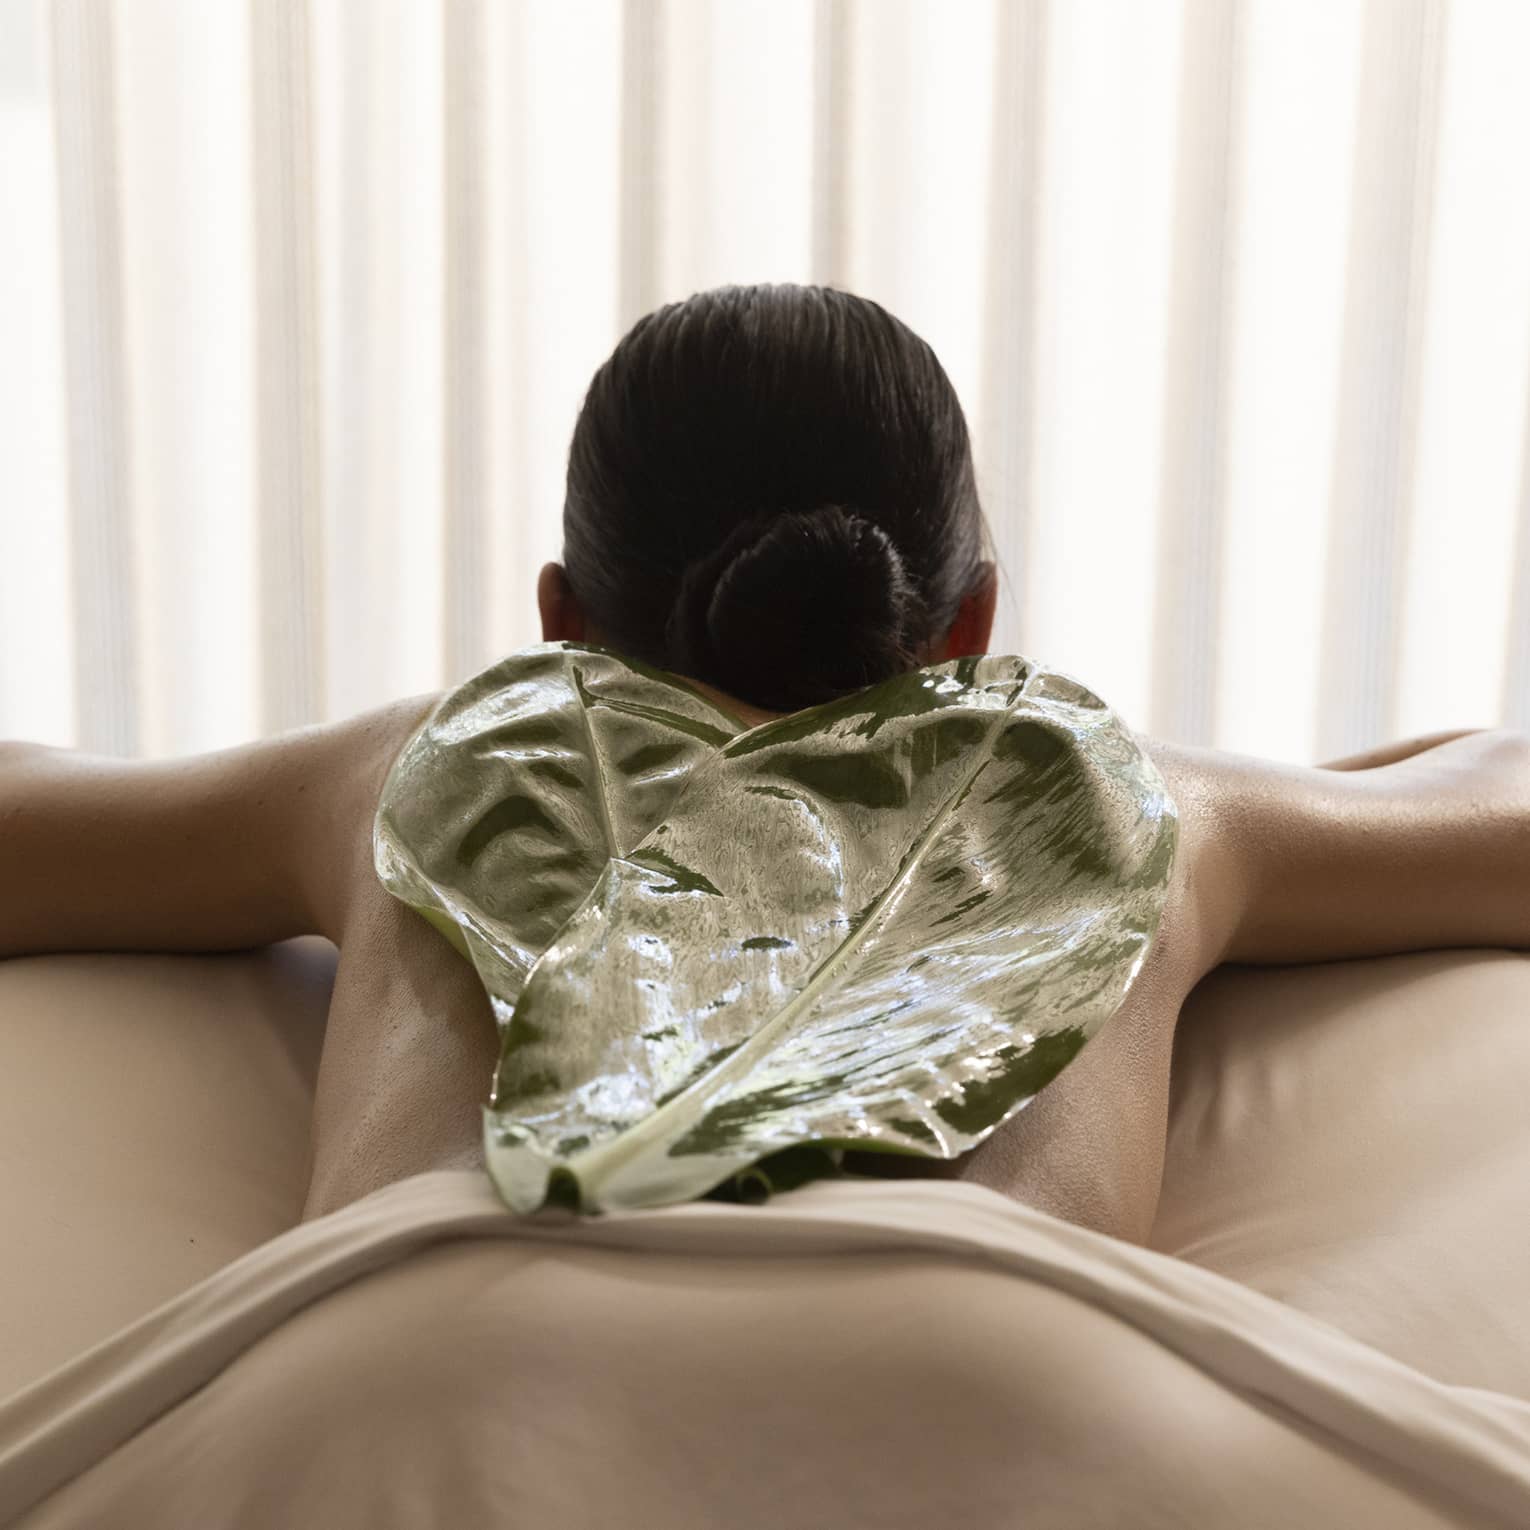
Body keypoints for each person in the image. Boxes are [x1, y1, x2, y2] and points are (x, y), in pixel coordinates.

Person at [2, 283, 1526, 1246]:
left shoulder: (439, 758)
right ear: (971, 622)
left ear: (560, 625)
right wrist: (1301, 784)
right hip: (986, 1383)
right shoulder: (1116, 801)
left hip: (445, 1368)